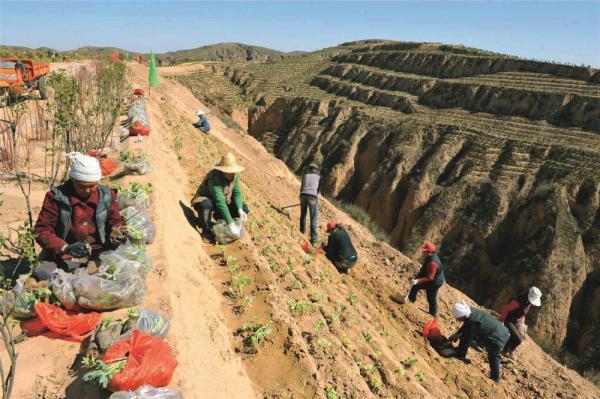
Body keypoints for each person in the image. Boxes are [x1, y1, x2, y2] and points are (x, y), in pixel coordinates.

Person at [33, 152, 126, 280]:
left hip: (99, 251)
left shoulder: (106, 195)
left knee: (119, 271)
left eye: (92, 186)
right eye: (81, 186)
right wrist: (66, 248)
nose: (87, 191)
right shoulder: (56, 197)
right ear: (73, 180)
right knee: (43, 274)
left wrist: (118, 231)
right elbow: (42, 231)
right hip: (67, 253)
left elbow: (116, 221)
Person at [191, 152, 248, 242]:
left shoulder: (234, 176)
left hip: (222, 201)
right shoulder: (214, 178)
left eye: (232, 171)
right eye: (228, 171)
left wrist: (240, 209)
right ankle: (206, 230)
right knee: (206, 206)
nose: (231, 173)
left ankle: (221, 219)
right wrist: (231, 223)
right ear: (222, 170)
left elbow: (237, 193)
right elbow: (220, 202)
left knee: (244, 208)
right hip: (208, 200)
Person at [449, 300, 509, 382]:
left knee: (493, 355)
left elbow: (466, 341)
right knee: (468, 335)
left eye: (458, 319)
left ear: (462, 316)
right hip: (500, 330)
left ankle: (495, 378)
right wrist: (457, 333)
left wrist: (460, 355)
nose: (457, 320)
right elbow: (467, 324)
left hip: (498, 337)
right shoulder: (470, 311)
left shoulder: (473, 323)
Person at [406, 242, 445, 317]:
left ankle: (433, 314)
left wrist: (418, 281)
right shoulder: (429, 257)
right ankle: (411, 300)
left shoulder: (432, 263)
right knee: (427, 294)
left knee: (430, 295)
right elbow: (424, 269)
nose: (423, 252)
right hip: (435, 278)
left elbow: (430, 277)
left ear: (429, 252)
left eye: (424, 251)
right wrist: (417, 278)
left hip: (435, 282)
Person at [499, 287, 542, 355]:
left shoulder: (528, 302)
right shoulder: (518, 301)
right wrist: (501, 321)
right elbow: (506, 310)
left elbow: (522, 313)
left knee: (518, 337)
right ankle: (505, 351)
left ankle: (509, 351)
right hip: (508, 320)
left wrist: (522, 322)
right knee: (518, 339)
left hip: (516, 320)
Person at [299, 163, 320, 244]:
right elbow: (318, 189)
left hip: (303, 195)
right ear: (316, 169)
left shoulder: (305, 175)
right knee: (313, 218)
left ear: (309, 168)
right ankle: (314, 239)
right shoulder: (318, 176)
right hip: (312, 197)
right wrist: (314, 195)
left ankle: (301, 232)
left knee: (303, 215)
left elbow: (302, 186)